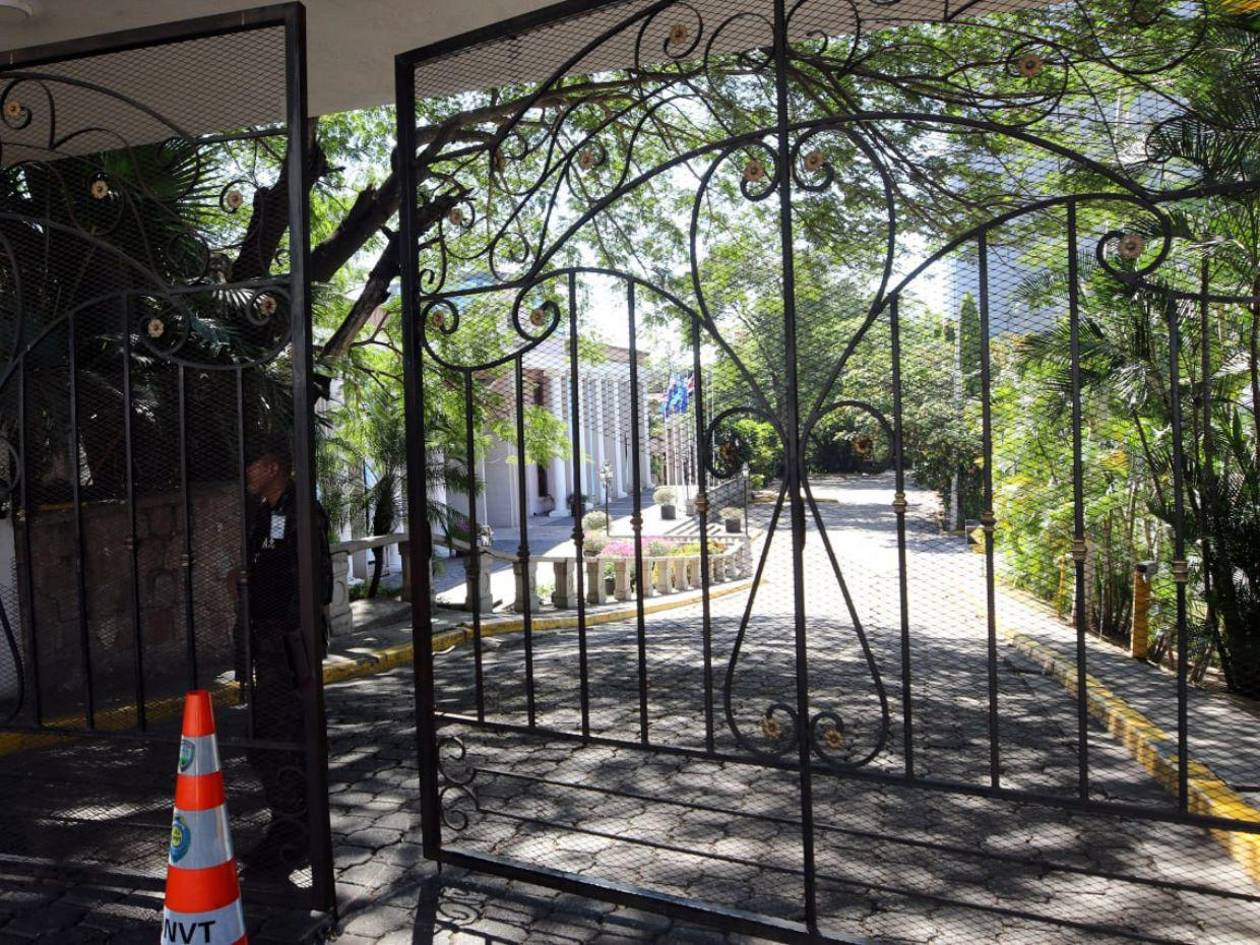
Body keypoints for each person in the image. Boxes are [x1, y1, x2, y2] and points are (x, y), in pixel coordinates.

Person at [232, 432, 332, 876]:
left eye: (252, 465)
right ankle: (290, 826)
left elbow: (316, 582)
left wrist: (291, 632)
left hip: (290, 643)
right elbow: (265, 568)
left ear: (272, 467)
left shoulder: (302, 512)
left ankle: (295, 833)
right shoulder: (265, 512)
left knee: (284, 735)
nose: (246, 474)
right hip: (265, 641)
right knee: (266, 737)